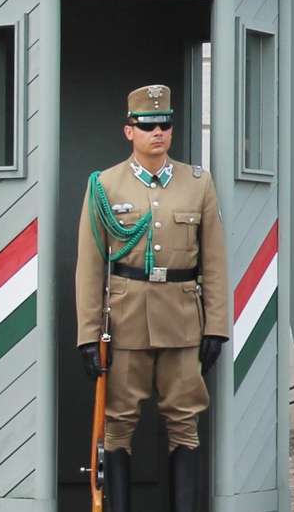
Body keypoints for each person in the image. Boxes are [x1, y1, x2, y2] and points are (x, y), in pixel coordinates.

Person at [74, 85, 229, 512]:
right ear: (129, 131)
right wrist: (89, 335)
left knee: (185, 423)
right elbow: (90, 266)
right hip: (125, 324)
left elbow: (213, 260)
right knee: (117, 426)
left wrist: (216, 325)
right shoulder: (104, 185)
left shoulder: (198, 183)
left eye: (165, 125)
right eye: (147, 126)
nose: (158, 132)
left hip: (182, 321)